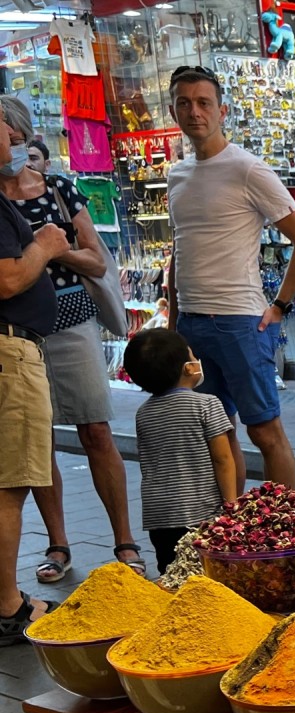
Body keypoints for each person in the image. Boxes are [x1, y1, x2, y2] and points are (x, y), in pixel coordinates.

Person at [0, 96, 145, 579]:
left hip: (72, 320)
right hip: (19, 332)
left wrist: (50, 250)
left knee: (96, 430)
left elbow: (96, 261)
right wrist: (40, 249)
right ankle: (58, 545)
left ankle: (125, 541)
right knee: (37, 443)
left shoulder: (59, 189)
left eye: (16, 139)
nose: (11, 149)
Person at [166, 65, 295, 491]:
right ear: (173, 110)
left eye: (204, 103)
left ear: (222, 111)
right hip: (193, 323)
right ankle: (233, 519)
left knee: (265, 431)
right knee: (216, 434)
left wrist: (280, 305)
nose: (194, 111)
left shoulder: (248, 169)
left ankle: (285, 519)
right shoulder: (176, 175)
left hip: (240, 321)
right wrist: (175, 321)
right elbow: (180, 249)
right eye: (184, 103)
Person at [0, 120, 72, 643]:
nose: (16, 144)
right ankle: (8, 607)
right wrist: (45, 245)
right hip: (10, 353)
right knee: (10, 484)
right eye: (6, 136)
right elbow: (7, 279)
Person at [122, 329, 237, 574]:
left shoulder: (143, 413)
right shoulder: (207, 404)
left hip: (159, 517)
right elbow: (223, 459)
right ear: (188, 368)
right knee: (207, 574)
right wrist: (231, 505)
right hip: (200, 513)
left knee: (171, 573)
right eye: (193, 356)